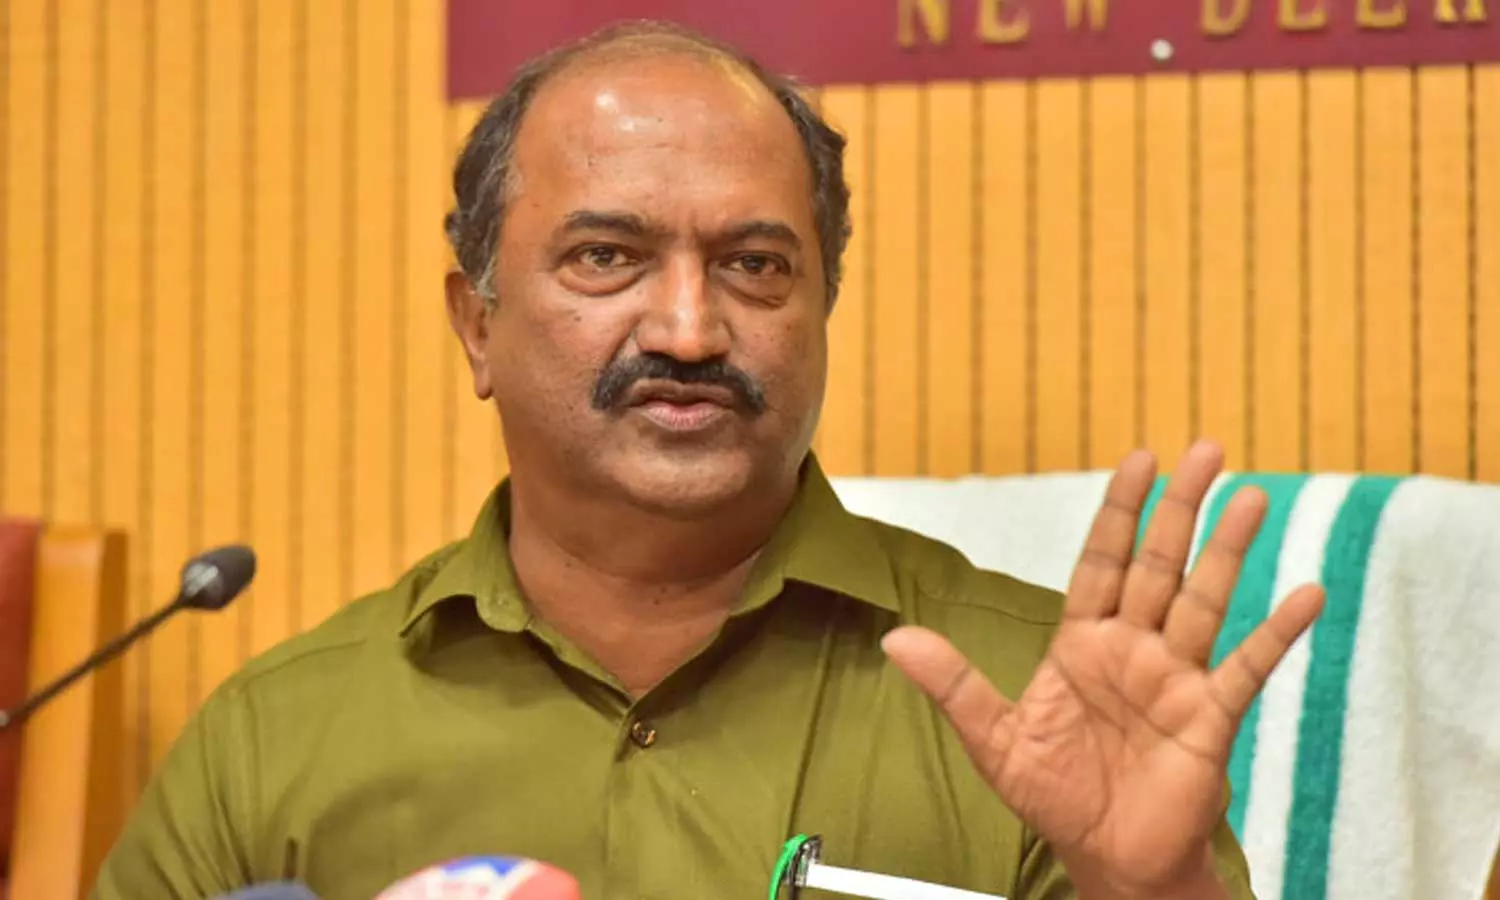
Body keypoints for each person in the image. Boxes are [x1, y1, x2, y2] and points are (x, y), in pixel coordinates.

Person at [92, 20, 1323, 900]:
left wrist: (1152, 892)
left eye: (754, 265)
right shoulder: (278, 740)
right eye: (606, 258)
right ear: (477, 325)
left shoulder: (1034, 706)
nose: (688, 330)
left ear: (823, 307)